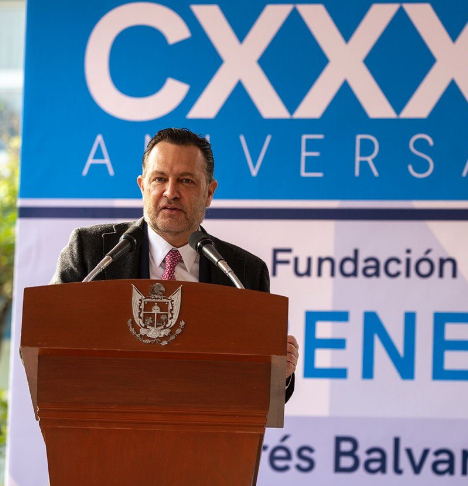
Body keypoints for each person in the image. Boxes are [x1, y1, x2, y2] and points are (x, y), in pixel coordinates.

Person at [51, 127, 298, 401]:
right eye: (159, 179)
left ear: (209, 192)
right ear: (142, 186)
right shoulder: (92, 252)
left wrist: (280, 373)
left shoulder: (243, 273)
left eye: (186, 181)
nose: (171, 192)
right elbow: (47, 338)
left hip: (204, 425)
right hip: (104, 419)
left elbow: (258, 390)